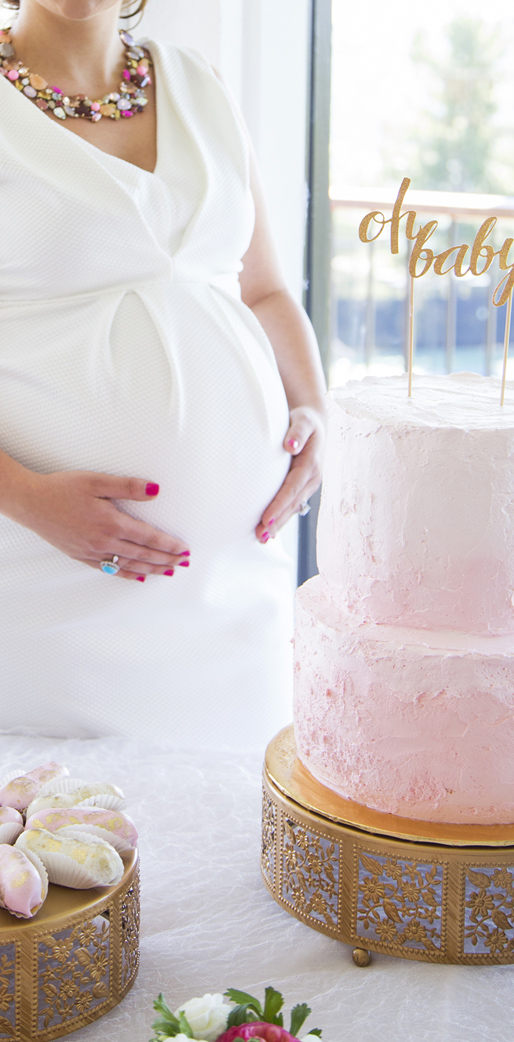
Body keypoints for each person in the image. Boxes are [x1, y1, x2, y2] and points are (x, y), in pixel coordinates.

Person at [0, 0, 326, 748]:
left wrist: (316, 408)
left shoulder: (199, 83)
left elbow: (266, 289)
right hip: (44, 577)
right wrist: (25, 498)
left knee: (235, 834)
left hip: (237, 577)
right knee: (73, 842)